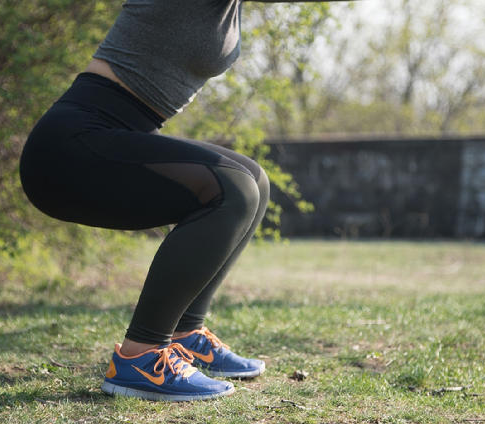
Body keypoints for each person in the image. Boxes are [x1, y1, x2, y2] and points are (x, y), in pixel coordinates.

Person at [19, 0, 345, 402]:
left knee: (254, 182)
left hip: (111, 135)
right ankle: (141, 356)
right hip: (71, 146)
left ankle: (184, 335)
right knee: (233, 190)